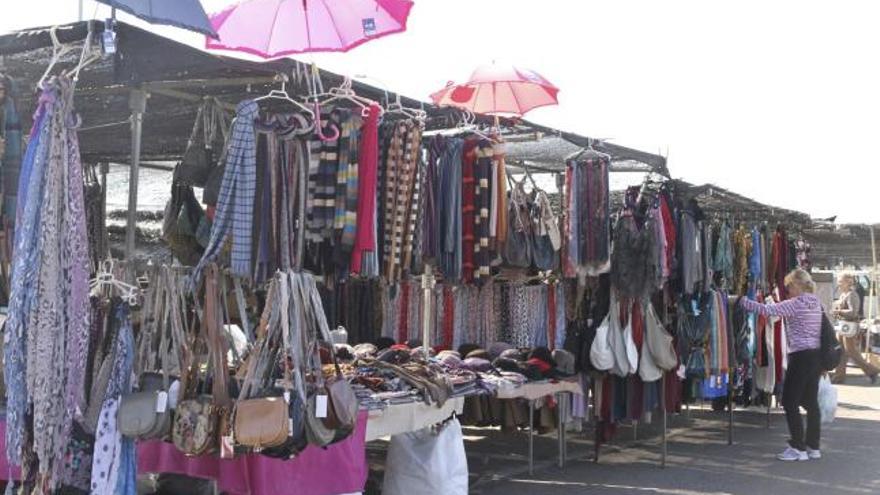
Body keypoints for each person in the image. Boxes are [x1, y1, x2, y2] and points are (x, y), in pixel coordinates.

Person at [739, 268, 823, 462]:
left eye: (789, 286)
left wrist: (741, 301)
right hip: (815, 356)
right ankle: (813, 446)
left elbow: (767, 310)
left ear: (798, 285)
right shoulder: (816, 302)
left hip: (800, 356)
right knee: (811, 403)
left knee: (789, 401)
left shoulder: (795, 304)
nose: (786, 290)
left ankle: (797, 447)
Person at [831, 273, 879, 384]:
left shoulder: (852, 295)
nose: (838, 283)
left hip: (849, 327)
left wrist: (839, 311)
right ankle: (839, 376)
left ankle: (872, 371)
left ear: (848, 282)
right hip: (843, 326)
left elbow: (853, 312)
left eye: (840, 281)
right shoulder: (844, 294)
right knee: (841, 352)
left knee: (851, 352)